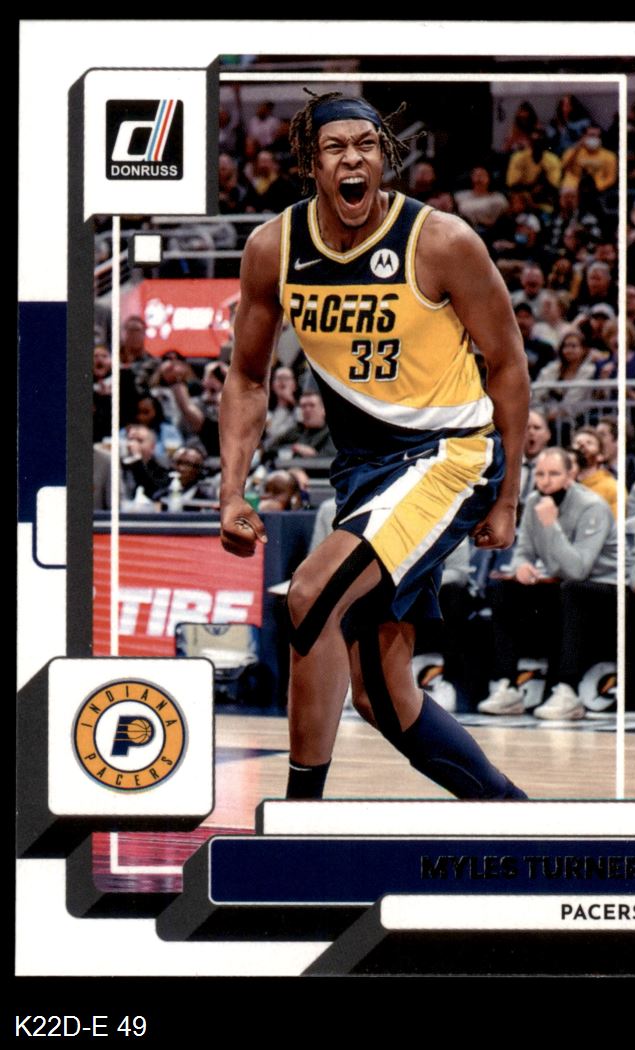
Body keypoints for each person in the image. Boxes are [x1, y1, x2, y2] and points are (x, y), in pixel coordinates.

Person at [219, 91, 530, 801]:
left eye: (366, 145)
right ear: (311, 163)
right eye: (335, 147)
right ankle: (513, 817)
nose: (352, 158)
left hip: (450, 454)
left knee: (310, 594)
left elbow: (508, 362)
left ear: (385, 157)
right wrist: (231, 487)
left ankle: (299, 822)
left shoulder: (441, 240)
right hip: (364, 473)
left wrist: (509, 495)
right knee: (383, 696)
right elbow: (246, 376)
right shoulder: (274, 248)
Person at [478, 447, 617, 720]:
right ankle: (507, 686)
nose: (545, 481)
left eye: (554, 474)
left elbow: (578, 570)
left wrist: (551, 525)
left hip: (604, 588)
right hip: (562, 585)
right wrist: (521, 567)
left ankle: (567, 691)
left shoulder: (593, 506)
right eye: (540, 474)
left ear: (570, 475)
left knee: (571, 591)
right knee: (503, 590)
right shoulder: (533, 502)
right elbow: (523, 552)